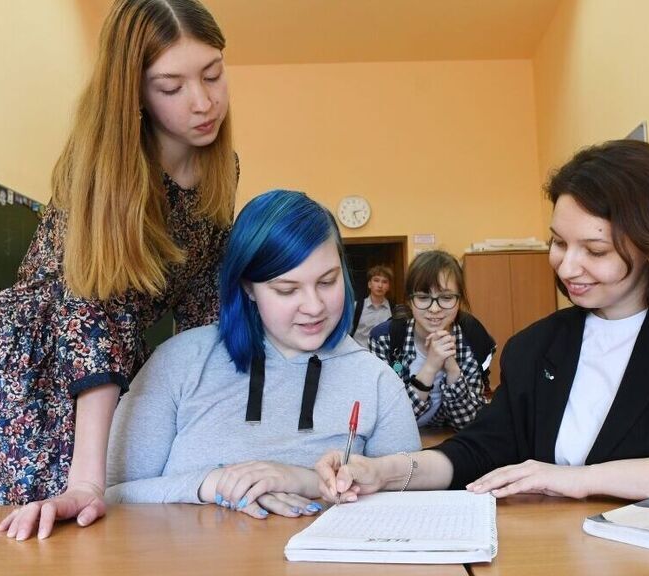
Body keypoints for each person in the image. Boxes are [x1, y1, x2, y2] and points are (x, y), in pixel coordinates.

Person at [316, 140, 649, 507]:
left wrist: (580, 479)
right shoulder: (538, 347)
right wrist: (386, 471)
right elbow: (479, 450)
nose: (567, 266)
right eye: (558, 242)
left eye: (594, 250)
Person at [0, 0, 237, 540]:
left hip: (121, 366)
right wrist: (87, 480)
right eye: (171, 87)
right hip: (41, 369)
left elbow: (204, 308)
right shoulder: (107, 173)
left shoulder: (219, 166)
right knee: (44, 533)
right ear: (134, 93)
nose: (204, 102)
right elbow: (91, 314)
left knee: (134, 530)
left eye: (212, 74)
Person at [105, 190, 420, 517]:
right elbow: (109, 495)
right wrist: (212, 485)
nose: (314, 306)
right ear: (247, 286)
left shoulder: (377, 381)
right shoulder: (178, 362)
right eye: (287, 289)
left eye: (327, 282)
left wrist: (308, 482)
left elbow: (410, 510)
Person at [368, 250, 495, 430]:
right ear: (409, 300)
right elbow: (389, 420)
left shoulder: (472, 340)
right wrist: (430, 367)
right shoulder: (384, 339)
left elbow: (469, 423)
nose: (434, 309)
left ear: (459, 300)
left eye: (446, 298)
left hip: (448, 442)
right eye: (423, 297)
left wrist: (452, 368)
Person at [350, 264, 393, 348]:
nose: (380, 285)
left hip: (383, 354)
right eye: (376, 280)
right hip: (359, 353)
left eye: (384, 282)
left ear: (388, 286)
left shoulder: (393, 309)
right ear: (369, 284)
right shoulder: (356, 307)